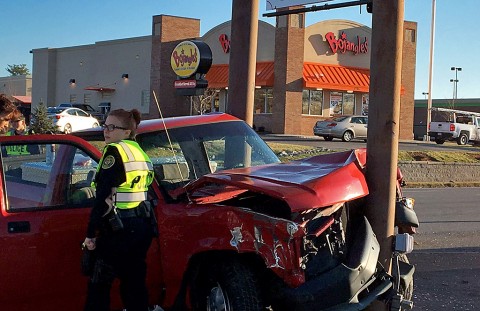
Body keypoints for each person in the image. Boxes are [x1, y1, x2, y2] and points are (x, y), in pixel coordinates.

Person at [83, 109, 155, 311]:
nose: (106, 131)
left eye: (112, 127)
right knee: (134, 286)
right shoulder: (139, 151)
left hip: (118, 230)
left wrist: (90, 234)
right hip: (141, 226)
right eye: (105, 126)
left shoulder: (115, 152)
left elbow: (102, 198)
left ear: (126, 132)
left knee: (99, 287)